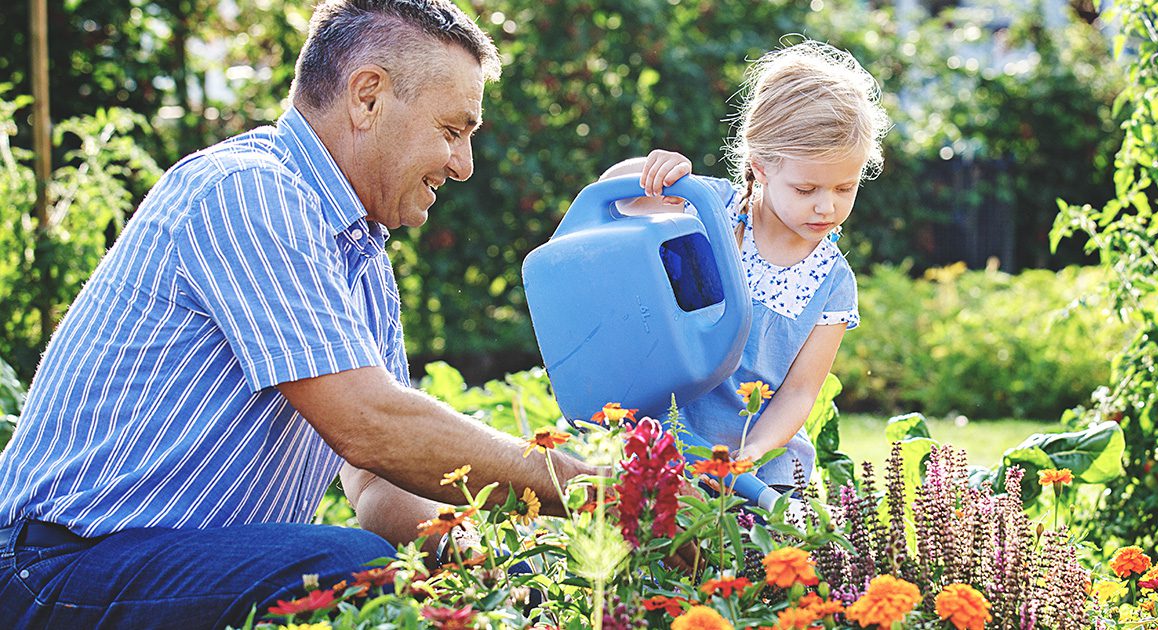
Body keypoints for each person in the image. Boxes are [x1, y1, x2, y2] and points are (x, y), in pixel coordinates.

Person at [0, 1, 595, 627]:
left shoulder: (357, 256)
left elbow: (375, 483)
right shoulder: (248, 192)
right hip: (55, 570)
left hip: (149, 568)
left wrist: (471, 558)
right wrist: (594, 494)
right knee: (349, 566)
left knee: (465, 580)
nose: (464, 165)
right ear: (368, 98)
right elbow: (369, 424)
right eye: (452, 131)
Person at [604, 40, 891, 502]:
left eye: (845, 187)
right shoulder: (706, 208)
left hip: (763, 473)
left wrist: (751, 453)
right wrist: (652, 169)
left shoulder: (833, 283)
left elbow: (800, 393)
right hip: (666, 446)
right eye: (806, 188)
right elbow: (613, 201)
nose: (827, 205)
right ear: (759, 167)